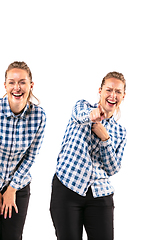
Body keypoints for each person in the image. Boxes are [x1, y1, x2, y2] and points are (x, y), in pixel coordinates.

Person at [0, 61, 46, 240]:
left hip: (18, 184)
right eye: (11, 82)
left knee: (13, 236)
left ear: (30, 85)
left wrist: (12, 189)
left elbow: (31, 156)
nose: (17, 87)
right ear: (5, 85)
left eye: (22, 82)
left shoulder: (39, 116)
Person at [50, 72, 127, 240]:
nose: (113, 95)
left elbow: (113, 168)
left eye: (118, 91)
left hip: (100, 194)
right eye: (109, 90)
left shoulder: (120, 132)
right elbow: (81, 115)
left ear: (123, 96)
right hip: (68, 188)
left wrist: (105, 138)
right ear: (100, 91)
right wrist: (93, 116)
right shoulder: (82, 106)